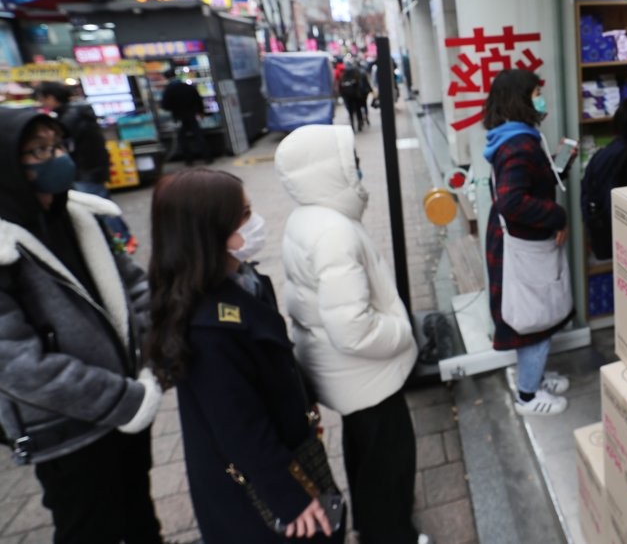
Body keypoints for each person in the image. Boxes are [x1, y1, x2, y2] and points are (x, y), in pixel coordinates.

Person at [146, 168, 343, 543]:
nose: (257, 224)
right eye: (246, 216)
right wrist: (290, 499)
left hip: (287, 447)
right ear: (209, 232)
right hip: (259, 482)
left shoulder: (239, 280)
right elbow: (241, 429)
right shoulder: (209, 329)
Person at [0, 108, 163, 543]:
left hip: (127, 409)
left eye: (56, 146)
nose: (55, 157)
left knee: (140, 518)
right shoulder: (4, 248)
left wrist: (146, 358)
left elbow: (134, 287)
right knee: (89, 528)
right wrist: (123, 400)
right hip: (67, 432)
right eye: (38, 152)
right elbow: (18, 365)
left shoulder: (80, 219)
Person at [275, 125, 424, 544]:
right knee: (388, 460)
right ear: (325, 170)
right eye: (349, 162)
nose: (357, 169)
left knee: (366, 452)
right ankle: (391, 534)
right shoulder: (334, 232)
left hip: (346, 373)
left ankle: (373, 523)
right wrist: (402, 332)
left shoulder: (308, 218)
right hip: (365, 372)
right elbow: (354, 329)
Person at [483, 68, 575, 416]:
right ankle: (527, 394)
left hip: (520, 240)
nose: (542, 98)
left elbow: (527, 183)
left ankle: (533, 375)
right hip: (526, 242)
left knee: (535, 311)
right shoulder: (520, 144)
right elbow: (511, 200)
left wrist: (559, 166)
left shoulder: (512, 135)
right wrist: (558, 216)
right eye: (536, 92)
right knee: (536, 315)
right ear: (521, 98)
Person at [37, 82, 134, 249]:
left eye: (42, 98)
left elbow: (63, 143)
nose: (41, 103)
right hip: (93, 167)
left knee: (99, 206)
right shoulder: (75, 112)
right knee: (103, 204)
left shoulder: (67, 118)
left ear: (51, 98)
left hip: (86, 169)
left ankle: (122, 241)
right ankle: (124, 237)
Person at [160, 68, 211, 165]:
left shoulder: (169, 90)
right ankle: (207, 157)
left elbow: (165, 105)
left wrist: (173, 108)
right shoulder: (188, 86)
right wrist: (201, 112)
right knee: (199, 136)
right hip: (192, 115)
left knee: (182, 139)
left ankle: (189, 160)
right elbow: (198, 99)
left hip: (179, 117)